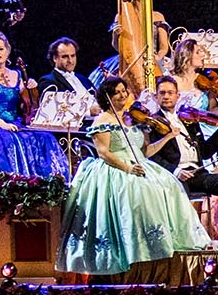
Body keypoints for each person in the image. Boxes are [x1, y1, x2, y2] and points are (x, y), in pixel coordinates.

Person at [54, 78, 209, 275]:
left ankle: (166, 245)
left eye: (124, 90)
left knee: (168, 184)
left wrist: (168, 136)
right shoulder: (103, 120)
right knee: (140, 193)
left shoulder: (132, 119)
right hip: (116, 167)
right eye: (117, 92)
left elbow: (146, 152)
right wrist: (128, 169)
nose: (122, 95)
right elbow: (104, 153)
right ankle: (135, 252)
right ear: (107, 97)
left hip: (139, 164)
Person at [139, 74, 218, 237]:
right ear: (156, 96)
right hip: (174, 177)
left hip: (197, 173)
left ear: (177, 96)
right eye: (162, 93)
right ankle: (186, 237)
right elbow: (152, 157)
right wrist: (176, 171)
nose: (166, 96)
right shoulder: (152, 123)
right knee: (180, 193)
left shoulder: (189, 120)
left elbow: (205, 151)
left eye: (170, 93)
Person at [0, 31, 68, 177]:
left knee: (44, 137)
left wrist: (30, 87)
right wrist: (2, 124)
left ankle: (47, 183)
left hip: (14, 121)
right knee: (6, 143)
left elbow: (25, 103)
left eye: (1, 49)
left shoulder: (16, 74)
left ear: (8, 50)